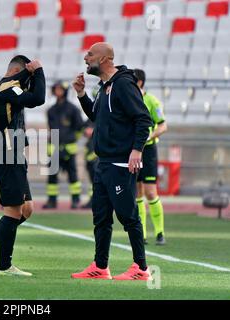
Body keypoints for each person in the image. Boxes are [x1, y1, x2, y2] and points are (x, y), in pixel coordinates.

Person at [71, 42, 153, 280]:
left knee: (128, 216)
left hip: (120, 164)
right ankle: (100, 266)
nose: (85, 58)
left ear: (105, 59)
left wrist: (137, 150)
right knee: (101, 217)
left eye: (90, 54)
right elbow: (96, 116)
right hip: (103, 163)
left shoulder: (124, 84)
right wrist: (81, 94)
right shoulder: (104, 86)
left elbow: (143, 119)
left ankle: (141, 268)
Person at [0, 55, 45, 276]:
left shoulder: (10, 89)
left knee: (27, 209)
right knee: (14, 210)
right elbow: (38, 99)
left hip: (14, 154)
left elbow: (32, 95)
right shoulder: (5, 87)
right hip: (6, 154)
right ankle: (5, 265)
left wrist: (32, 75)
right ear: (15, 72)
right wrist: (38, 71)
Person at [133, 68, 168, 246]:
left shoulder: (151, 101)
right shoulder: (129, 99)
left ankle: (160, 232)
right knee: (137, 192)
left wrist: (149, 136)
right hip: (132, 150)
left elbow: (162, 126)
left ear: (139, 82)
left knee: (151, 192)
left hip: (148, 151)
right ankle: (143, 234)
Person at [43, 80, 85, 209]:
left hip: (69, 149)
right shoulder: (51, 110)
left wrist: (71, 140)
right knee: (52, 177)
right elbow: (51, 129)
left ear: (65, 91)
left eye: (60, 89)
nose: (58, 91)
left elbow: (79, 128)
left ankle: (75, 200)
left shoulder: (73, 109)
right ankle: (52, 201)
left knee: (73, 177)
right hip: (54, 149)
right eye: (56, 89)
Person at [81, 120, 99, 209]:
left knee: (98, 180)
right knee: (92, 181)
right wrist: (86, 130)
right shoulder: (91, 115)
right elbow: (82, 127)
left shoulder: (104, 114)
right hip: (90, 156)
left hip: (98, 155)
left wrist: (94, 130)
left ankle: (96, 201)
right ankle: (93, 200)